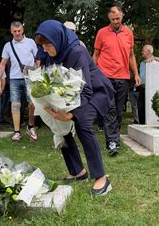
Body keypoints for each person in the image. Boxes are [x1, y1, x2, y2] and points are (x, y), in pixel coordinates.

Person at [34, 19, 114, 196]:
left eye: (47, 45)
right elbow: (48, 80)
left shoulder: (77, 51)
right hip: (69, 94)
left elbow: (85, 88)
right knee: (60, 127)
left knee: (82, 123)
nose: (45, 50)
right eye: (42, 46)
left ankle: (101, 177)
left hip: (94, 91)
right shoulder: (48, 53)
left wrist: (70, 115)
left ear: (57, 39)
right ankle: (78, 171)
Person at [93, 6, 141, 156]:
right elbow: (95, 54)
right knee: (110, 109)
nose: (115, 21)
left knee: (119, 111)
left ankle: (114, 138)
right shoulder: (102, 33)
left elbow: (131, 55)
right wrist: (93, 74)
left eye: (118, 18)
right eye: (113, 19)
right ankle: (112, 143)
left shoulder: (128, 33)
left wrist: (136, 74)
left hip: (123, 77)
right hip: (105, 76)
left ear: (122, 17)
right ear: (109, 18)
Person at [0, 21, 38, 142]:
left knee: (32, 104)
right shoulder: (8, 46)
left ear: (23, 30)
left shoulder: (31, 42)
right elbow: (2, 64)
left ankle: (31, 127)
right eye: (15, 31)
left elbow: (37, 60)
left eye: (19, 31)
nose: (17, 33)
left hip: (30, 77)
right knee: (15, 105)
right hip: (14, 78)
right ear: (11, 31)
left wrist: (38, 74)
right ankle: (16, 132)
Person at [137, 44, 159, 124]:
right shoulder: (142, 63)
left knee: (151, 108)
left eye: (143, 50)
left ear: (149, 51)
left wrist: (154, 58)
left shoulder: (156, 61)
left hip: (152, 89)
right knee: (140, 108)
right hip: (142, 88)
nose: (141, 52)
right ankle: (142, 125)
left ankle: (152, 123)